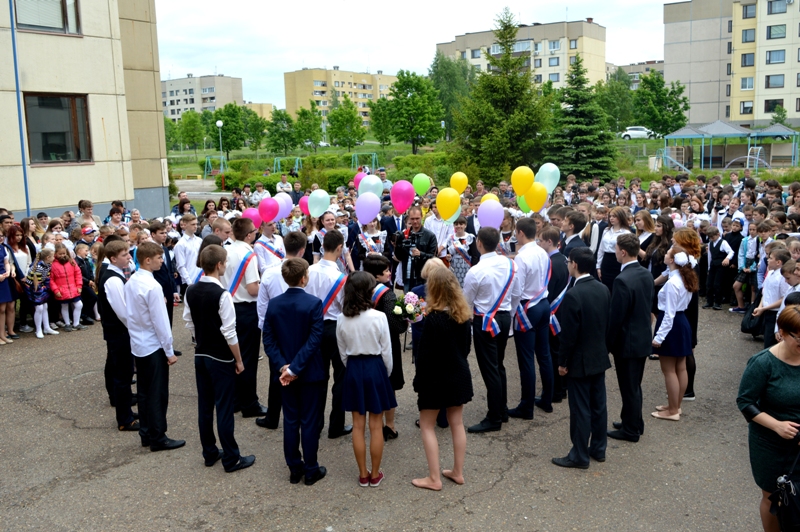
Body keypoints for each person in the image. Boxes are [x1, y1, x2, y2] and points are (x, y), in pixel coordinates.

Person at [184, 244, 255, 473]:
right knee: (224, 408)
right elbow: (229, 332)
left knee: (205, 406)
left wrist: (200, 339)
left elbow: (189, 321)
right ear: (218, 265)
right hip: (220, 357)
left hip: (201, 353)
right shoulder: (222, 294)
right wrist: (239, 360)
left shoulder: (191, 290)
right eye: (224, 263)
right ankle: (231, 458)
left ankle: (209, 451)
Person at [263, 257, 327, 485]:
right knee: (309, 420)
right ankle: (310, 469)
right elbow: (314, 339)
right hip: (309, 371)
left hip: (284, 373)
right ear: (303, 278)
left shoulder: (274, 304)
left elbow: (268, 340)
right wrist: (295, 367)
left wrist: (284, 366)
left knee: (291, 420)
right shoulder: (313, 303)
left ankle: (294, 467)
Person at [737, 305, 800, 532]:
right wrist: (777, 426)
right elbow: (745, 402)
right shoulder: (763, 362)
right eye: (799, 339)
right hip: (770, 445)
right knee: (773, 495)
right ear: (782, 332)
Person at [411, 267, 473, 490]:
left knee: (427, 425)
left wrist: (419, 381)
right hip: (458, 374)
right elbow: (466, 348)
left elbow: (424, 356)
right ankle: (458, 471)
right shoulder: (463, 316)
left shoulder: (434, 319)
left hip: (434, 378)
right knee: (457, 422)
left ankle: (434, 478)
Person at [551, 247, 611, 469]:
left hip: (579, 360)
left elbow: (568, 335)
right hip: (599, 356)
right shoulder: (603, 289)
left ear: (574, 264)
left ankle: (579, 455)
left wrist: (562, 362)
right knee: (599, 406)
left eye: (568, 262)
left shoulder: (574, 295)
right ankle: (598, 448)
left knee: (580, 409)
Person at [336, 271, 396, 487]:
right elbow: (386, 351)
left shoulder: (341, 319)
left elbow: (342, 353)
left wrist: (352, 368)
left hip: (353, 367)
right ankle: (375, 473)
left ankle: (363, 473)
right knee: (376, 425)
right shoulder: (378, 317)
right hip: (375, 367)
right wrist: (385, 373)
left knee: (357, 425)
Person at [124, 242, 183, 451]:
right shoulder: (152, 286)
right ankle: (158, 436)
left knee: (144, 391)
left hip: (139, 343)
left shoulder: (132, 281)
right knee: (157, 393)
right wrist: (169, 350)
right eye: (159, 258)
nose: (161, 261)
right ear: (147, 260)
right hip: (152, 344)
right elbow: (161, 322)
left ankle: (146, 432)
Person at [463, 227, 521, 433]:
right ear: (497, 243)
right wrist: (508, 315)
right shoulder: (511, 264)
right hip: (504, 317)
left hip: (485, 321)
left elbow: (466, 301)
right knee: (498, 365)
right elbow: (517, 293)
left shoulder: (476, 271)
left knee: (490, 369)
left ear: (479, 243)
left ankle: (494, 417)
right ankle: (501, 409)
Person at [255, 231, 308, 430]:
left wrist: (266, 330)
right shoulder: (306, 272)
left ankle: (273, 417)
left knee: (276, 371)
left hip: (276, 327)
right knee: (302, 369)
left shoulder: (269, 273)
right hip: (301, 327)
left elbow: (262, 306)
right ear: (302, 250)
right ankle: (300, 416)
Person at [606, 233, 654, 443]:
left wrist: (607, 344)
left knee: (629, 387)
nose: (615, 253)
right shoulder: (645, 273)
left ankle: (631, 430)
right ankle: (633, 421)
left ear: (623, 252)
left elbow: (616, 316)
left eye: (616, 250)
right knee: (634, 385)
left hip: (627, 342)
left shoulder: (622, 280)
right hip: (642, 337)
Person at [306, 229, 353, 439]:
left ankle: (315, 425)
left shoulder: (308, 271)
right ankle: (336, 426)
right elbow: (345, 308)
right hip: (334, 329)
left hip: (313, 328)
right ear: (340, 248)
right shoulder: (341, 278)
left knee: (317, 378)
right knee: (340, 378)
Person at [221, 217, 266, 418]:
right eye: (254, 231)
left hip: (227, 306)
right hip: (245, 309)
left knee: (233, 355)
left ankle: (235, 400)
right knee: (248, 357)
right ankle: (249, 403)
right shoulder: (249, 254)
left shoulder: (226, 250)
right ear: (248, 235)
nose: (256, 233)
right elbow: (252, 288)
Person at [509, 217, 553, 419]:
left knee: (526, 359)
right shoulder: (542, 252)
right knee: (544, 354)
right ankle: (547, 399)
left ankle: (526, 407)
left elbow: (517, 290)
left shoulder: (522, 257)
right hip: (543, 303)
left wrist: (512, 312)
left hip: (528, 307)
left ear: (520, 232)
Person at [651, 247, 698, 421]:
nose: (664, 254)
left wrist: (659, 337)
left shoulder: (673, 283)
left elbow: (669, 314)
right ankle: (675, 405)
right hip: (682, 322)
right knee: (681, 367)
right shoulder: (684, 277)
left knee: (669, 370)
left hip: (671, 324)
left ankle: (672, 411)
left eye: (667, 253)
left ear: (672, 260)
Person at [362, 254, 406, 440]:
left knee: (373, 384)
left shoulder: (359, 290)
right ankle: (390, 425)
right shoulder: (386, 294)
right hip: (387, 342)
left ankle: (376, 423)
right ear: (376, 275)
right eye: (386, 270)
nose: (389, 273)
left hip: (366, 341)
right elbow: (395, 325)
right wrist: (405, 321)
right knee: (389, 383)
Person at [96, 240, 137, 431]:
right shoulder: (112, 279)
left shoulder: (117, 274)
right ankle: (125, 419)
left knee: (125, 374)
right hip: (119, 333)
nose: (129, 257)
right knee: (122, 375)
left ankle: (126, 410)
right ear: (113, 258)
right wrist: (135, 329)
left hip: (119, 332)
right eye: (124, 255)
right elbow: (122, 312)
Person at [538, 226, 570, 403]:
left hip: (553, 313)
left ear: (549, 242)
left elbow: (547, 290)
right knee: (559, 351)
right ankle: (562, 387)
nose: (539, 243)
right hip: (561, 312)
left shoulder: (550, 263)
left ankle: (555, 391)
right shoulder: (563, 259)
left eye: (541, 240)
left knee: (553, 353)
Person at [149, 222, 182, 356]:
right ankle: (159, 347)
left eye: (165, 233)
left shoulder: (165, 249)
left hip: (168, 289)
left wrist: (174, 290)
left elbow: (169, 272)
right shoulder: (149, 250)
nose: (164, 235)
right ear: (153, 234)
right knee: (159, 319)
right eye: (161, 233)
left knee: (168, 318)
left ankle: (168, 346)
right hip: (157, 290)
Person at [753, 247, 792, 349]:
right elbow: (765, 292)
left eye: (770, 258)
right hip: (766, 311)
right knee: (766, 339)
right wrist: (761, 307)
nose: (767, 260)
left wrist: (764, 308)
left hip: (775, 313)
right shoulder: (770, 273)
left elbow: (784, 298)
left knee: (771, 343)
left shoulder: (783, 277)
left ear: (778, 262)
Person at [394, 206, 438, 293]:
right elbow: (399, 257)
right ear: (409, 218)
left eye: (417, 218)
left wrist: (420, 254)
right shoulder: (403, 235)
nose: (415, 221)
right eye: (412, 219)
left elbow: (433, 257)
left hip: (423, 277)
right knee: (408, 300)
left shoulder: (430, 235)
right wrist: (397, 245)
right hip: (407, 276)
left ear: (422, 216)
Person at [50, 243, 86, 332]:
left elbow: (78, 274)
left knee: (79, 304)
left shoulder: (72, 261)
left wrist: (79, 285)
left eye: (64, 253)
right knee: (64, 306)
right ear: (55, 254)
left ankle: (76, 323)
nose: (62, 255)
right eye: (60, 254)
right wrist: (56, 290)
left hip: (73, 288)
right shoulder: (53, 265)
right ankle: (67, 324)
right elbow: (51, 280)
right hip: (61, 290)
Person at [596, 206, 631, 294]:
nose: (611, 218)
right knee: (605, 286)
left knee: (616, 287)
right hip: (606, 260)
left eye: (614, 216)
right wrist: (598, 266)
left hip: (617, 261)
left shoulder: (626, 233)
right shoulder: (606, 230)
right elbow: (601, 249)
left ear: (620, 217)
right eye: (610, 216)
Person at [25, 249, 57, 338]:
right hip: (33, 288)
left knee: (45, 306)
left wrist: (47, 287)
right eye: (53, 256)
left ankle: (46, 327)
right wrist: (43, 288)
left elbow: (47, 278)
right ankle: (38, 330)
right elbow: (36, 282)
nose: (54, 258)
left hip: (41, 286)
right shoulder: (39, 267)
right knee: (39, 308)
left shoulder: (48, 265)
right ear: (48, 257)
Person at [703, 226, 734, 311]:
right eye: (710, 237)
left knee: (718, 284)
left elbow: (731, 252)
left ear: (718, 234)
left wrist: (727, 258)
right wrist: (709, 268)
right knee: (709, 284)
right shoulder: (710, 244)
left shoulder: (723, 242)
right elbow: (710, 256)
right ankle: (709, 302)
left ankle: (717, 302)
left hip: (721, 266)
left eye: (712, 237)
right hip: (713, 265)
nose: (711, 239)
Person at [446, 216, 478, 287]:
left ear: (465, 225)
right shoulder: (451, 239)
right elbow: (448, 254)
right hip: (455, 267)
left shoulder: (470, 237)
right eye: (456, 224)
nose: (458, 226)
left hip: (467, 266)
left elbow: (474, 255)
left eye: (461, 224)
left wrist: (473, 269)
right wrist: (448, 258)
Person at [174, 214, 202, 295]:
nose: (195, 226)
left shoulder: (199, 240)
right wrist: (189, 282)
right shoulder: (180, 244)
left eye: (196, 224)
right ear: (185, 225)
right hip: (189, 281)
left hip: (201, 278)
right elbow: (181, 266)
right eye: (193, 224)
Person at [0, 229, 15, 343]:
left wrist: (8, 271)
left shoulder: (2, 248)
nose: (1, 238)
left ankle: (2, 335)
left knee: (2, 309)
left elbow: (6, 262)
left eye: (2, 236)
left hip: (3, 279)